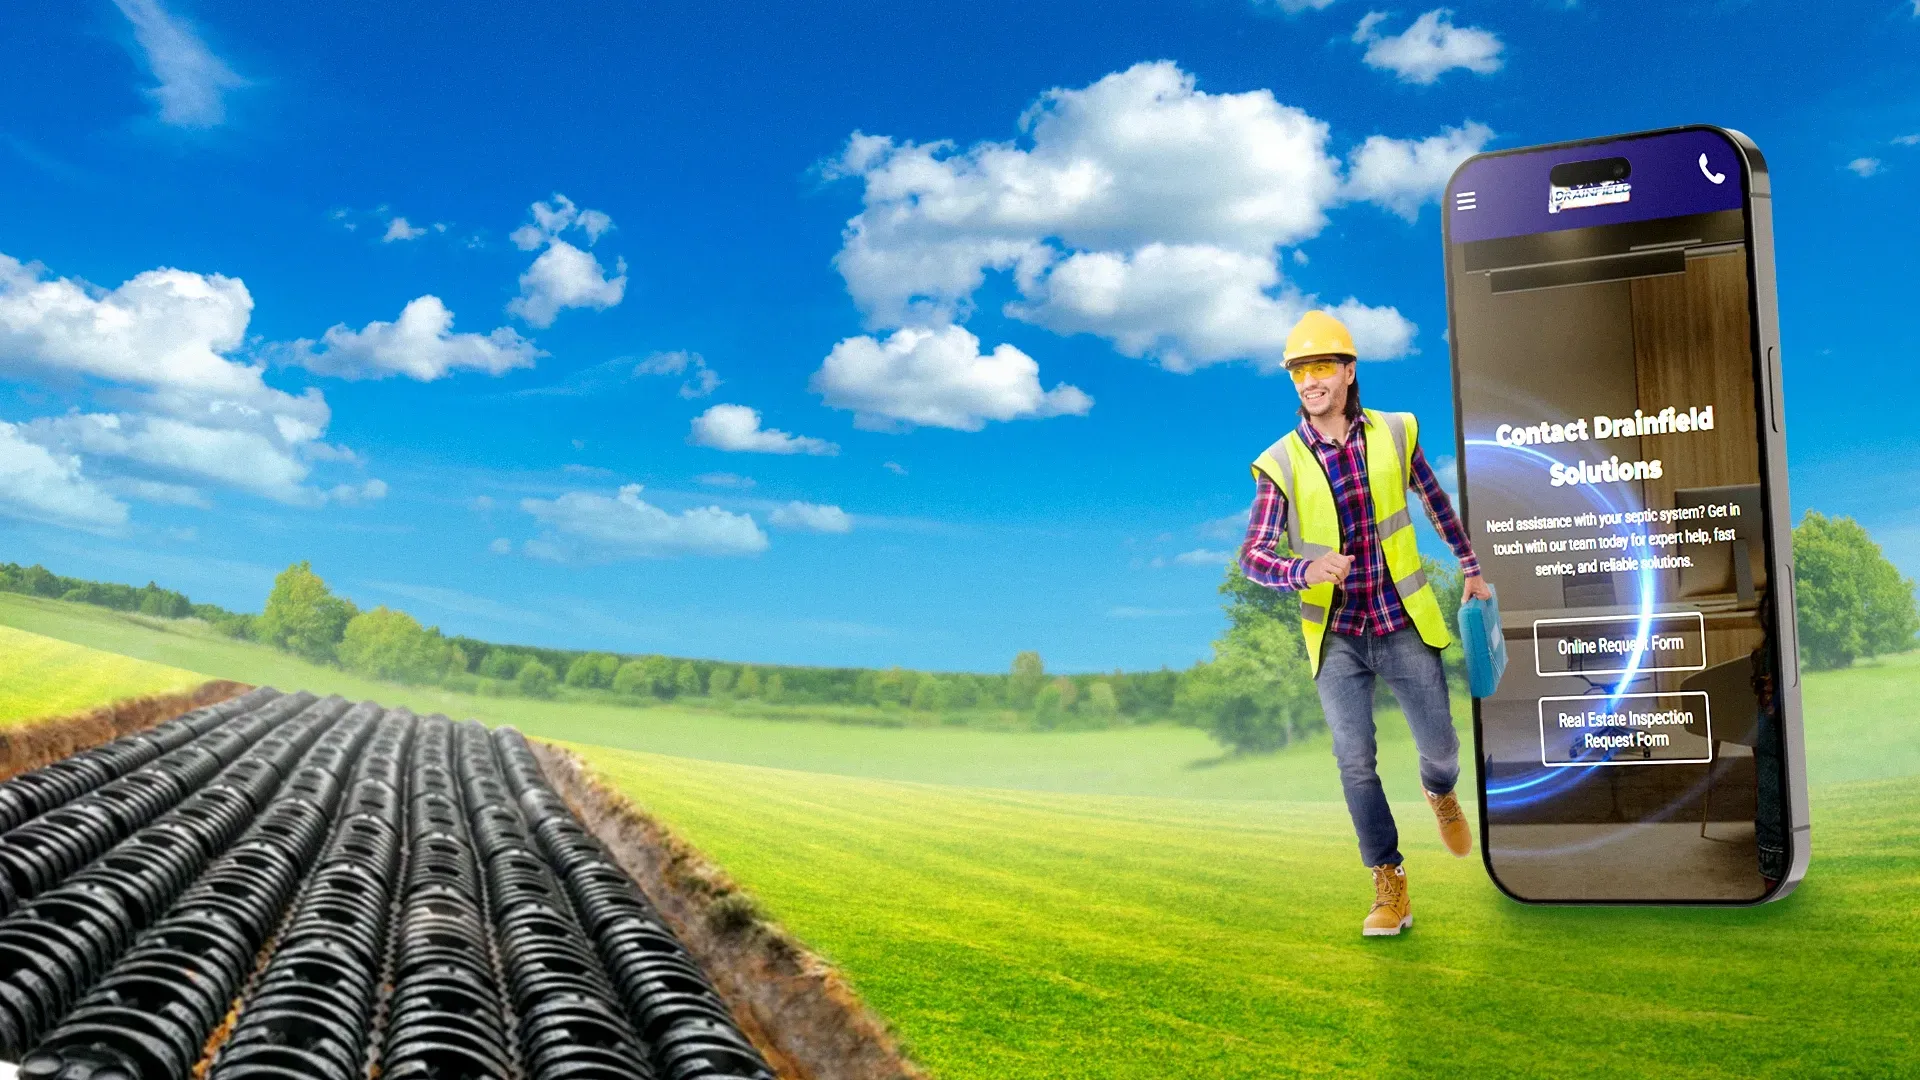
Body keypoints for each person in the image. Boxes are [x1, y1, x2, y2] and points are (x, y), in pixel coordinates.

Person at [1238, 310, 1492, 937]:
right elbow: (1253, 557)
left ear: (1349, 372)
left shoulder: (1396, 432)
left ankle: (1440, 792)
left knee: (1442, 747)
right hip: (1338, 639)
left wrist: (1471, 568)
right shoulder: (1281, 462)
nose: (1310, 381)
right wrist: (1304, 569)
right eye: (1300, 370)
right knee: (1355, 761)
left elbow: (1435, 501)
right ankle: (1390, 884)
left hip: (1402, 621)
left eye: (1322, 366)